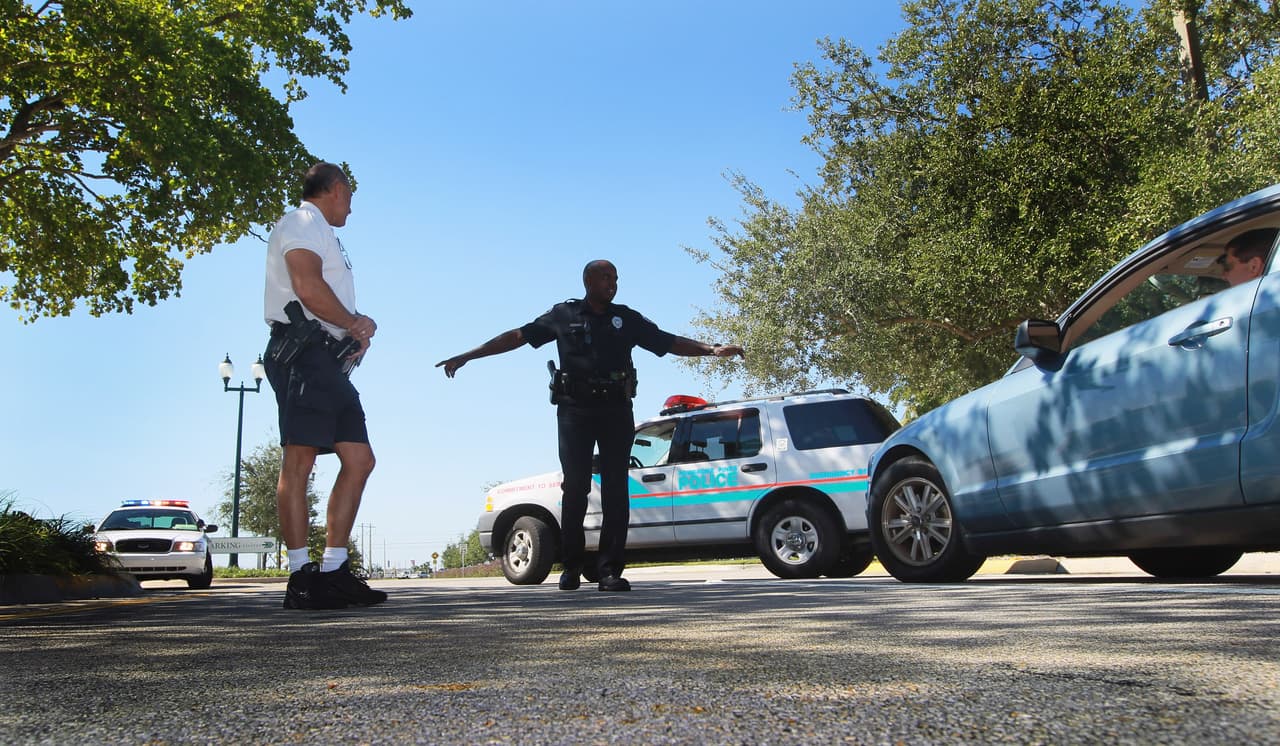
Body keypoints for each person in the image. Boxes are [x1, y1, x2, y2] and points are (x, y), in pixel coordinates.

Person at [436, 260, 745, 592]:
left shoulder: (625, 318)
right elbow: (517, 336)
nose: (612, 283)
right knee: (576, 487)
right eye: (606, 277)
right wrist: (469, 355)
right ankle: (571, 567)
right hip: (575, 412)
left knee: (616, 489)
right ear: (588, 281)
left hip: (615, 410)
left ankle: (610, 570)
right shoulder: (563, 315)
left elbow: (667, 342)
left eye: (615, 278)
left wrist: (711, 350)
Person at [263, 162, 385, 610]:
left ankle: (332, 571)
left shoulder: (325, 234)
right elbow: (306, 286)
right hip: (301, 357)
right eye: (350, 198)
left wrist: (354, 328)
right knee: (300, 461)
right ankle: (301, 577)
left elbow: (326, 297)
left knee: (360, 459)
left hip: (326, 361)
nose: (351, 208)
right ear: (336, 190)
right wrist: (352, 323)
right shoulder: (301, 222)